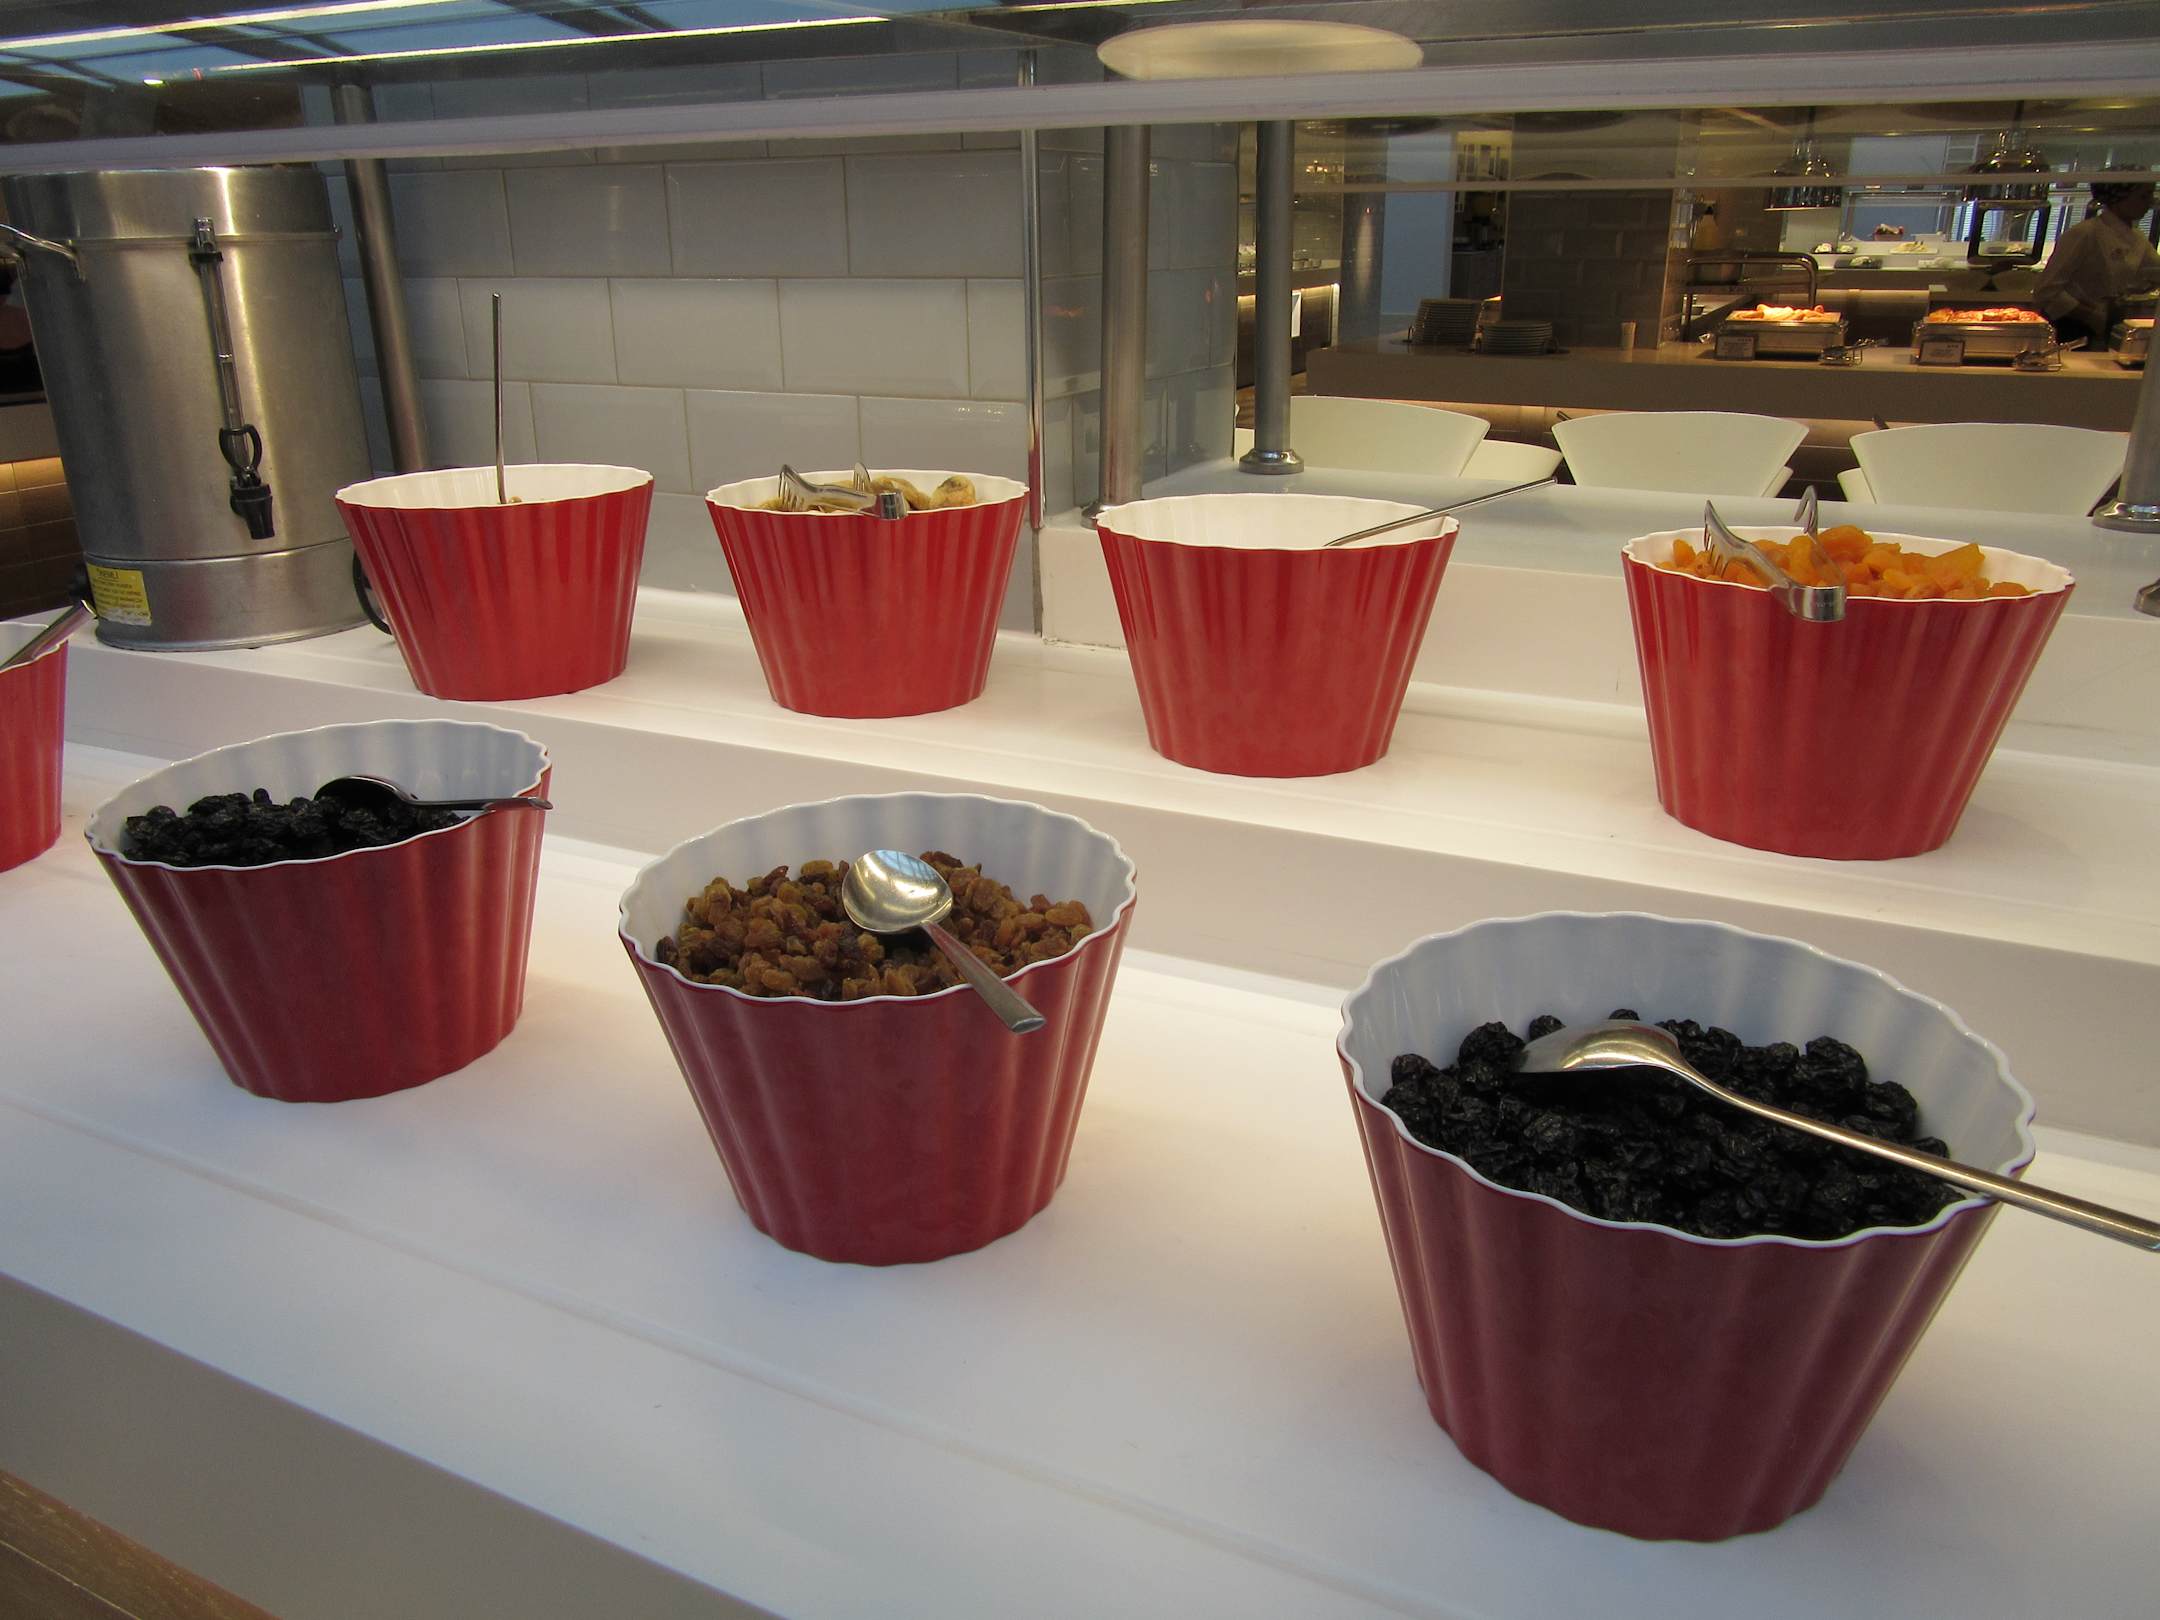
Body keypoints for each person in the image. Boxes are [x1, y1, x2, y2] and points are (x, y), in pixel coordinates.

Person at [2033, 178, 2160, 345]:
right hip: (2071, 328)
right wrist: (2091, 315)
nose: (2150, 202)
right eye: (2143, 196)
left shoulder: (2137, 238)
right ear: (2118, 198)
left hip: (2108, 323)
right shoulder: (2085, 233)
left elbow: (2155, 272)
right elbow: (2046, 291)